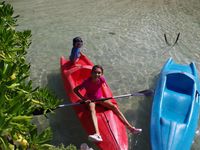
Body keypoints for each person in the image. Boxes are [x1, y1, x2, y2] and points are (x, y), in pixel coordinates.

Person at [74, 65, 142, 142]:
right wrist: (84, 99)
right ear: (91, 73)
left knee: (114, 107)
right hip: (90, 99)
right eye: (95, 72)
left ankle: (131, 128)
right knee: (92, 110)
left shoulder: (102, 80)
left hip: (100, 98)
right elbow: (75, 90)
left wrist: (103, 97)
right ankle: (97, 134)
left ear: (102, 74)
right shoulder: (86, 82)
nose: (97, 74)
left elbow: (99, 88)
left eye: (99, 73)